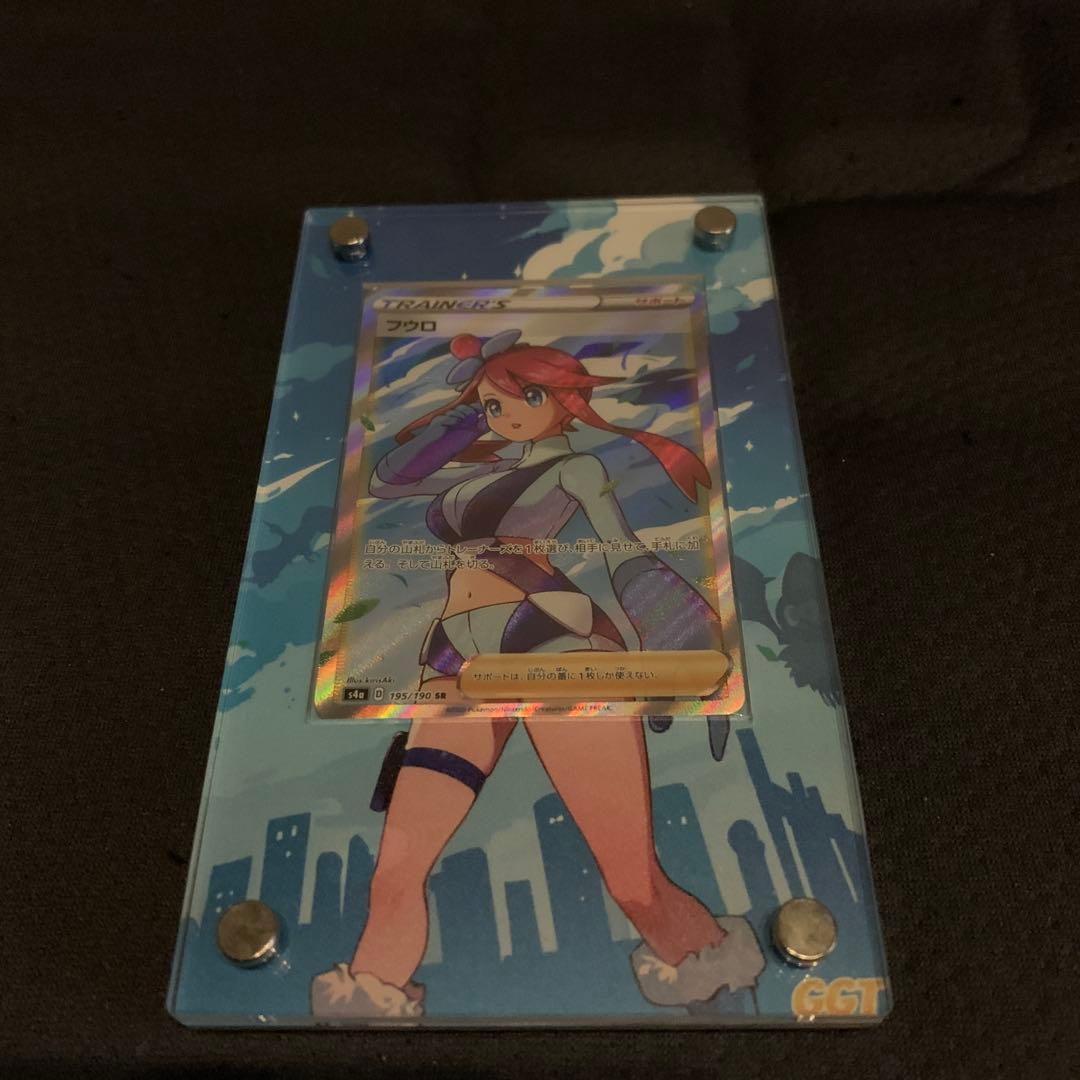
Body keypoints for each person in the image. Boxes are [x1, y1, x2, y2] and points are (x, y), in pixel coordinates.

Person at [311, 331, 763, 1018]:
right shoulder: (475, 474)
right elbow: (385, 480)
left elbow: (621, 551)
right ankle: (360, 1021)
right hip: (455, 658)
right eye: (495, 403)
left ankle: (727, 1001)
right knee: (394, 874)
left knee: (633, 884)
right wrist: (468, 413)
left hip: (551, 643)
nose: (508, 413)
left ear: (565, 399)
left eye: (526, 395)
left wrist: (680, 637)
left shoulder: (575, 469)